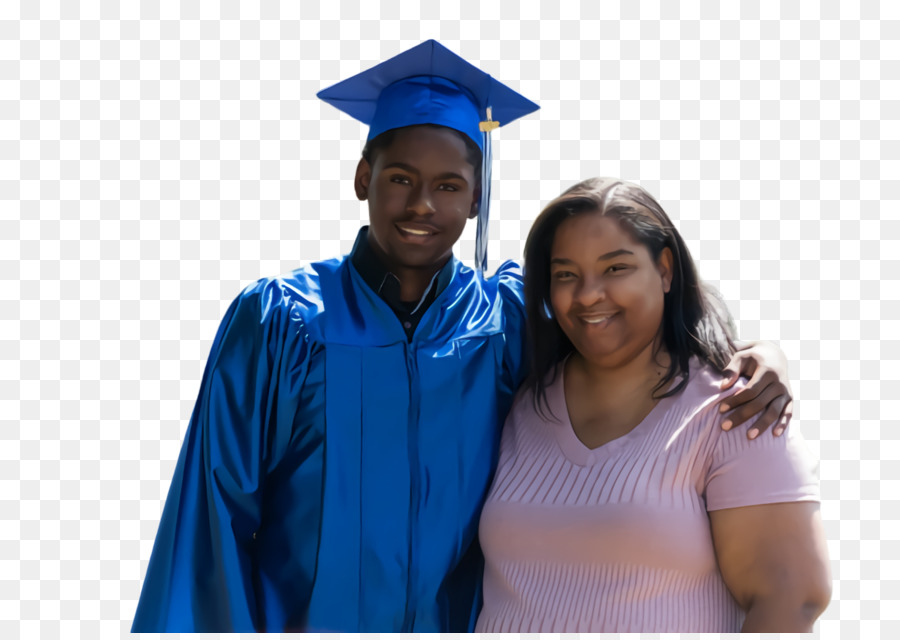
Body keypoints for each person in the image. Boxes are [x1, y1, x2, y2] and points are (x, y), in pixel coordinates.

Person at [131, 42, 795, 633]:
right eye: (400, 179)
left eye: (449, 185)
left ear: (476, 197)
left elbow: (623, 317)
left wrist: (754, 351)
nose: (423, 205)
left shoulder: (503, 318)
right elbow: (215, 514)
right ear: (364, 178)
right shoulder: (283, 322)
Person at [475, 177, 831, 633]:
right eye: (566, 274)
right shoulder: (526, 400)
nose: (587, 294)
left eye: (615, 268)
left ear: (665, 269)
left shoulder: (734, 407)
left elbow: (791, 598)